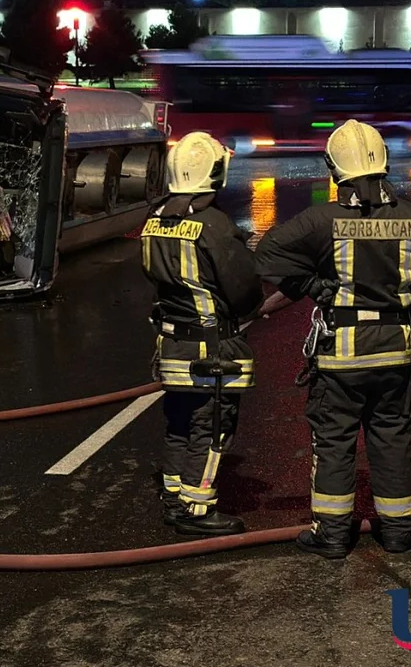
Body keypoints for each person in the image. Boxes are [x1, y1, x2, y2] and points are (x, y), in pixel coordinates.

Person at [255, 120, 411, 559]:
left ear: (333, 167)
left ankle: (333, 535)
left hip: (340, 357)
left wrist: (316, 284)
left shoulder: (322, 219)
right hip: (396, 356)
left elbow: (266, 255)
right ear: (383, 164)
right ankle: (399, 532)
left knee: (335, 443)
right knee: (392, 440)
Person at [141, 131, 264, 536]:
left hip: (172, 344)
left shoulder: (153, 221)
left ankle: (174, 495)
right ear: (215, 173)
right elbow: (245, 294)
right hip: (212, 351)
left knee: (177, 422)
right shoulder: (214, 225)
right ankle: (197, 509)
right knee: (212, 428)